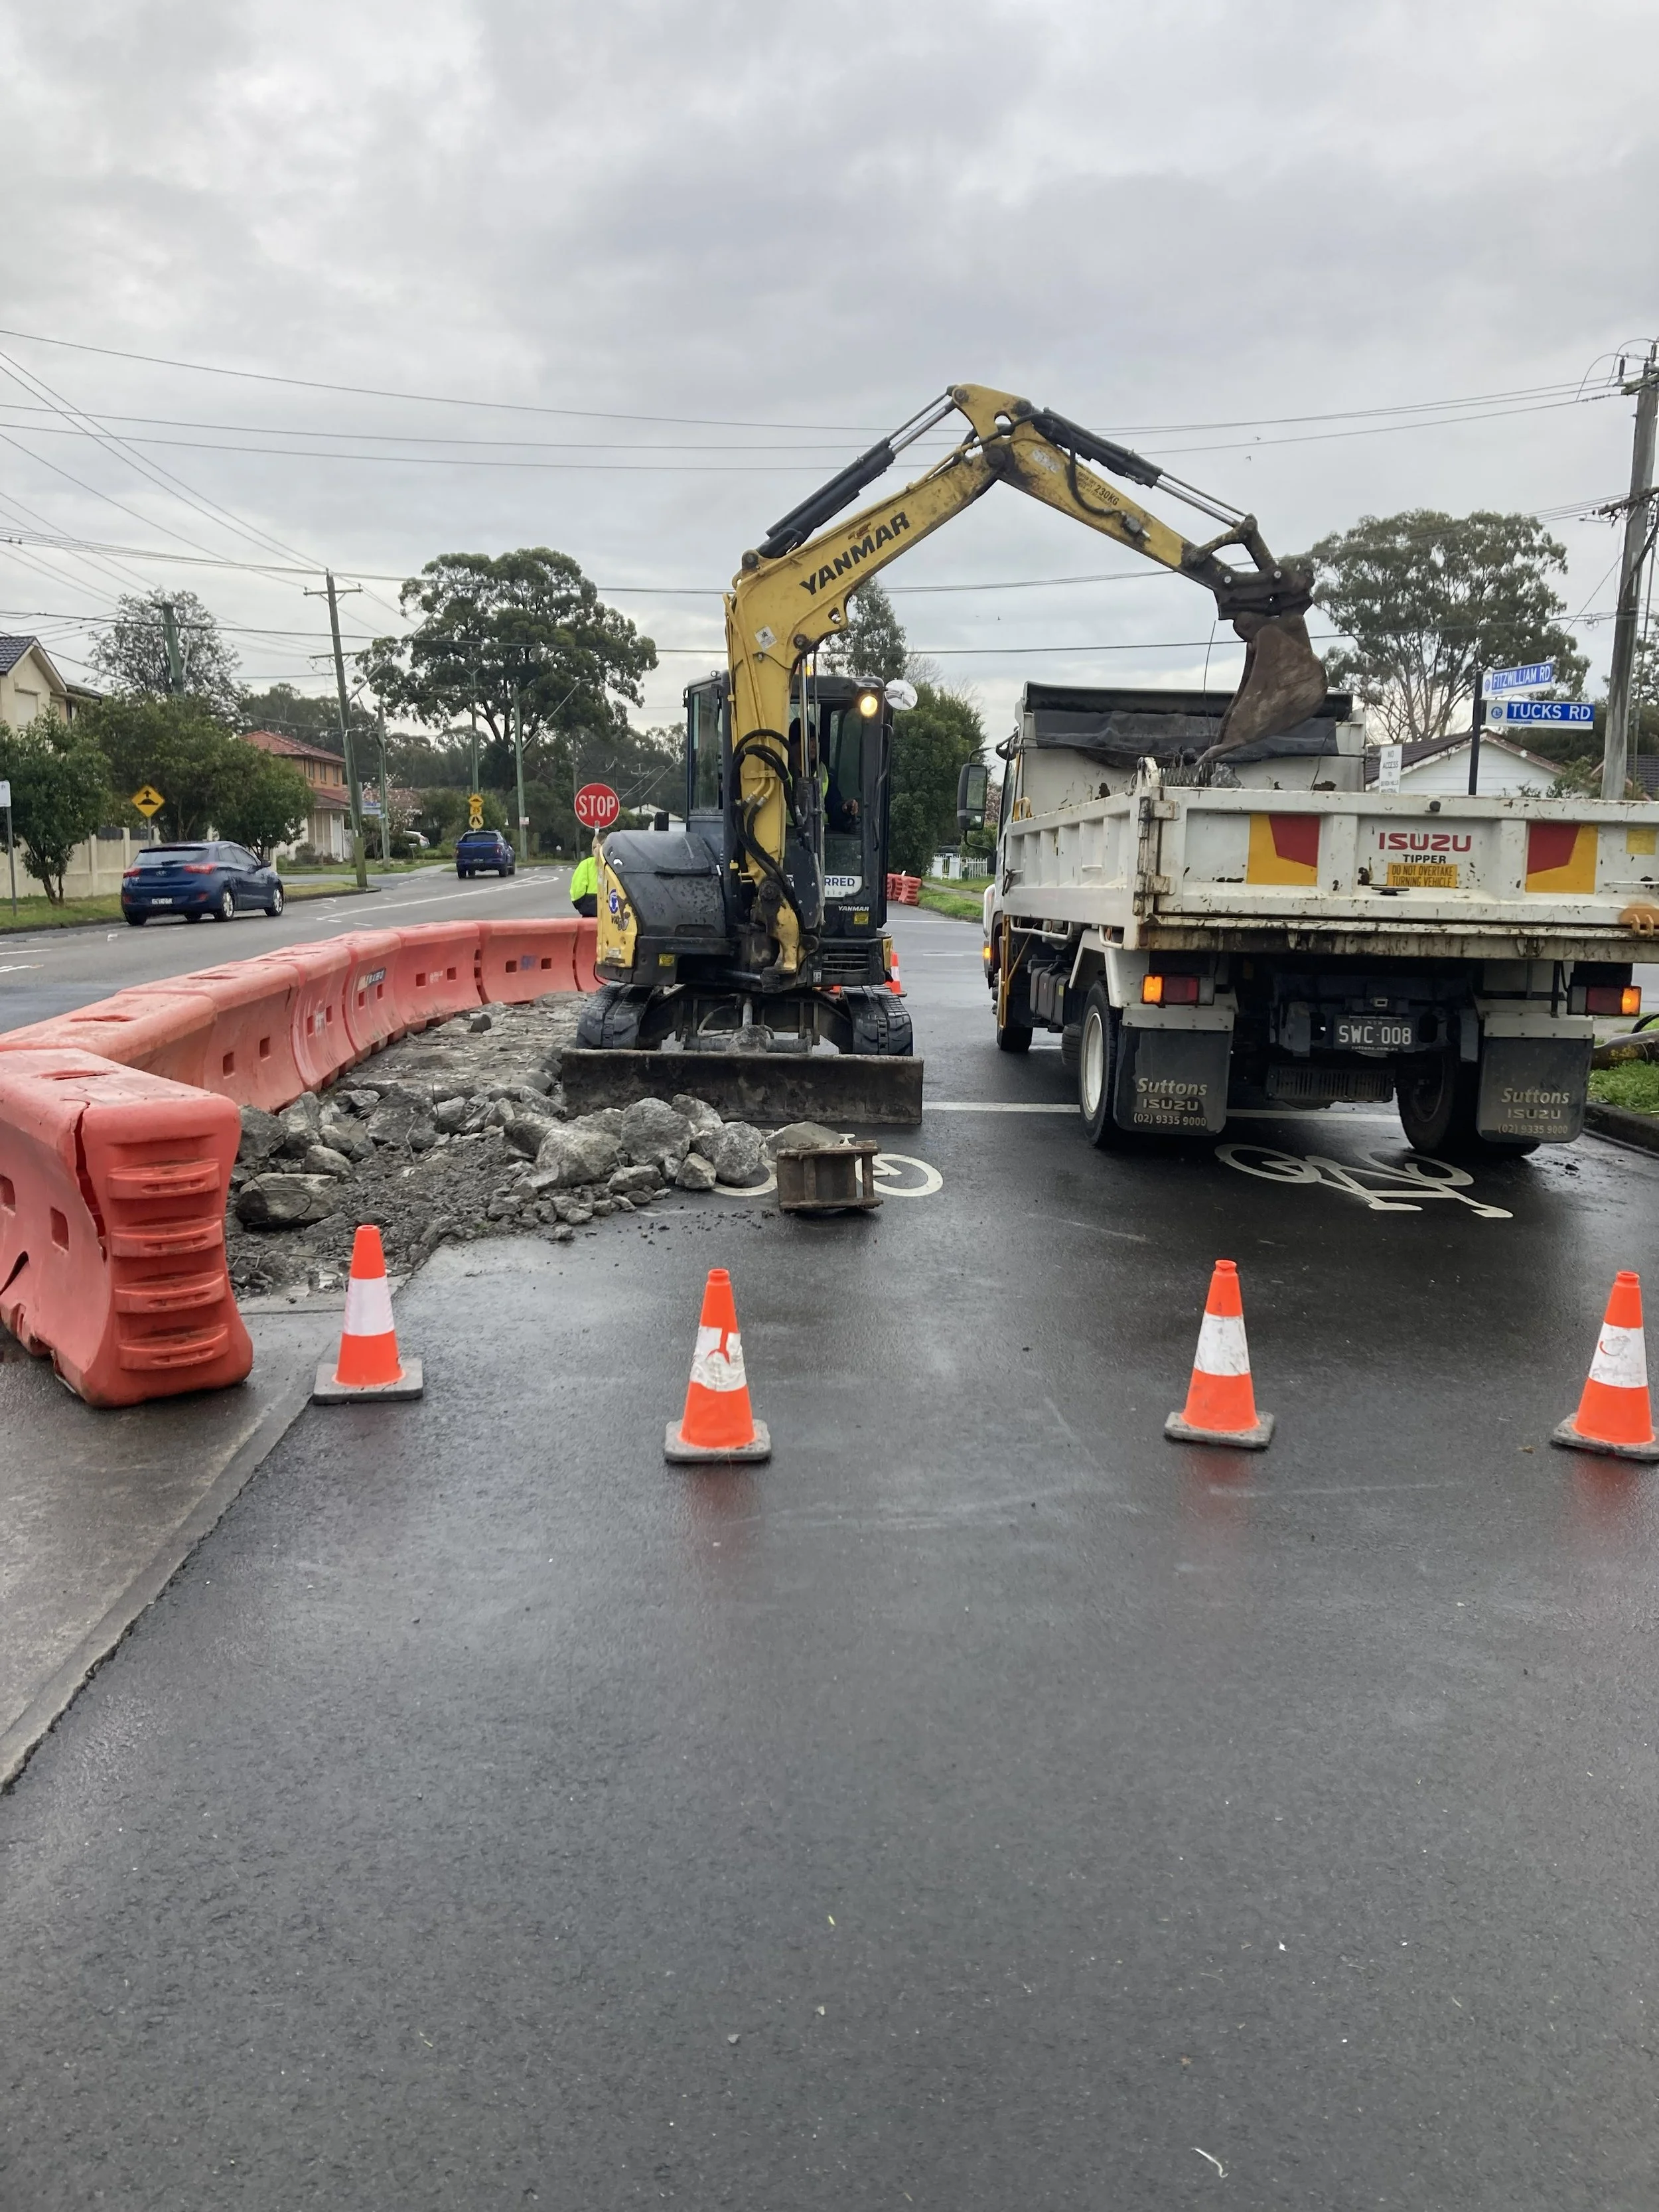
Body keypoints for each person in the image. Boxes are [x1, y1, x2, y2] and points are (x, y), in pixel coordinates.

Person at [569, 837, 601, 918]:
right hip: (614, 918)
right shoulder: (616, 863)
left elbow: (577, 892)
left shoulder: (586, 864)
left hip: (590, 914)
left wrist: (585, 906)